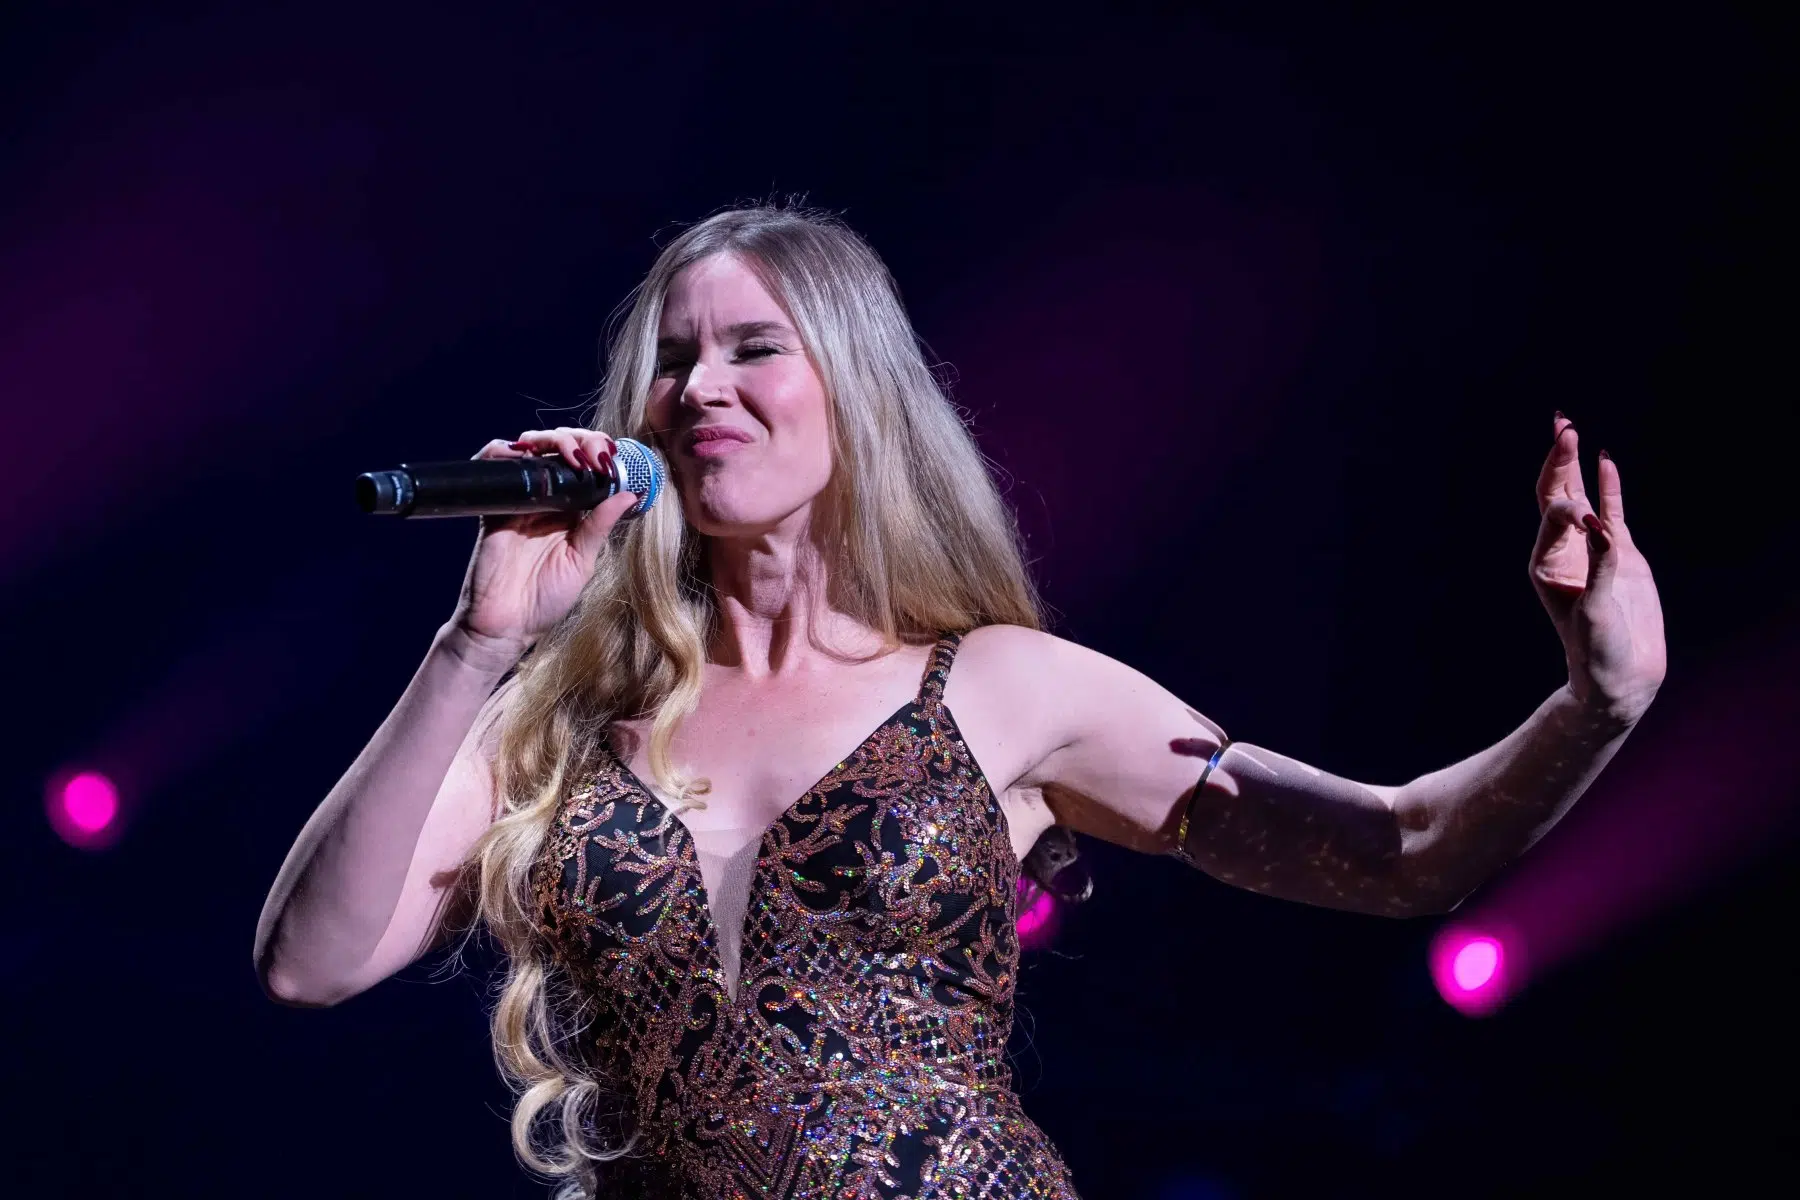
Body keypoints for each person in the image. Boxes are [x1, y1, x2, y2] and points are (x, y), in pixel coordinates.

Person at [253, 205, 1666, 1199]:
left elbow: (1401, 850)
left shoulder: (997, 687)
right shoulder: (557, 725)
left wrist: (1600, 701)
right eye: (673, 362)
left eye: (753, 348)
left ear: (854, 387)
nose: (703, 388)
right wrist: (476, 643)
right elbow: (309, 961)